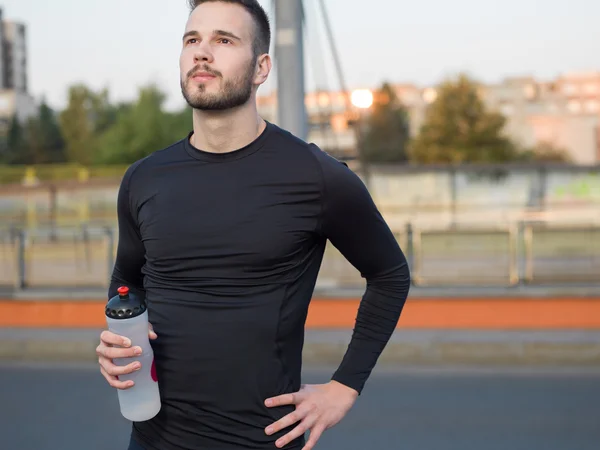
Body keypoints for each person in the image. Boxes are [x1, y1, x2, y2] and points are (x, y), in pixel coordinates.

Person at [95, 0, 411, 449]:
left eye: (224, 40)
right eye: (192, 40)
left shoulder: (316, 175)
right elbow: (127, 281)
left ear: (262, 67)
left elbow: (390, 274)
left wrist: (345, 387)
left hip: (261, 440)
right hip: (151, 439)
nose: (202, 52)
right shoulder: (144, 179)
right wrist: (118, 339)